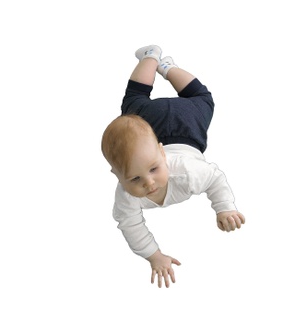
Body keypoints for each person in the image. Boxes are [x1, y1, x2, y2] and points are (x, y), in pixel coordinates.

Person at [101, 45, 246, 288]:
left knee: (201, 100)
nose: (148, 183)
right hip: (155, 124)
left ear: (161, 152)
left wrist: (224, 208)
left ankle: (161, 63)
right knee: (135, 101)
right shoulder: (125, 195)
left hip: (185, 122)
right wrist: (154, 256)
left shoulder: (187, 171)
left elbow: (215, 178)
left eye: (154, 169)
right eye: (135, 179)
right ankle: (157, 61)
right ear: (116, 175)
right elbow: (130, 225)